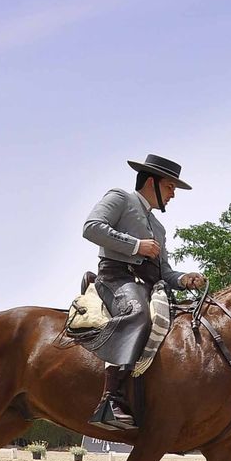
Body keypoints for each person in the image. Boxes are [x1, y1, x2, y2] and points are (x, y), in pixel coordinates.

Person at [80, 153, 207, 429]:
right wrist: (136, 245)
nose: (173, 194)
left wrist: (185, 279)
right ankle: (110, 402)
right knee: (137, 314)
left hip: (150, 285)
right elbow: (91, 228)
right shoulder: (120, 198)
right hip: (116, 278)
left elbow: (165, 272)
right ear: (152, 182)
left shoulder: (159, 227)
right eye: (170, 187)